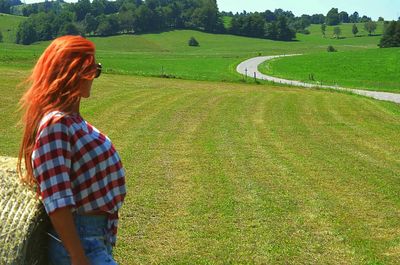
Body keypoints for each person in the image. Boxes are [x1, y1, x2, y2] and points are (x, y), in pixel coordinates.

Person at [17, 35, 126, 265]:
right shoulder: (56, 124)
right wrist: (78, 256)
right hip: (81, 243)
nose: (95, 75)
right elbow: (57, 199)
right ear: (73, 71)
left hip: (94, 239)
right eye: (92, 68)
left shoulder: (71, 121)